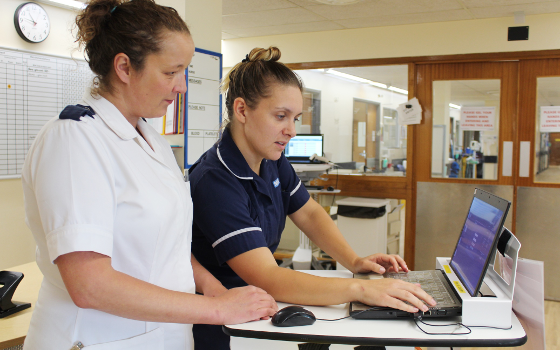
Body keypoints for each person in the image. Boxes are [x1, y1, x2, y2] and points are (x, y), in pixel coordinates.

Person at [21, 1, 277, 349]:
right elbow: (89, 284)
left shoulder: (151, 142)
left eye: (184, 71)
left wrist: (211, 286)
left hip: (163, 336)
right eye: (171, 72)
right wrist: (215, 310)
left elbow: (165, 244)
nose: (182, 86)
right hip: (97, 339)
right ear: (124, 67)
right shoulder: (74, 139)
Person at [189, 47, 437, 350]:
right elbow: (269, 276)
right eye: (281, 116)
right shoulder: (215, 179)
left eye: (295, 118)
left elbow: (308, 213)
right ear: (241, 110)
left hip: (266, 307)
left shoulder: (271, 158)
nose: (291, 130)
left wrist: (354, 261)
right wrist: (360, 289)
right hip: (229, 324)